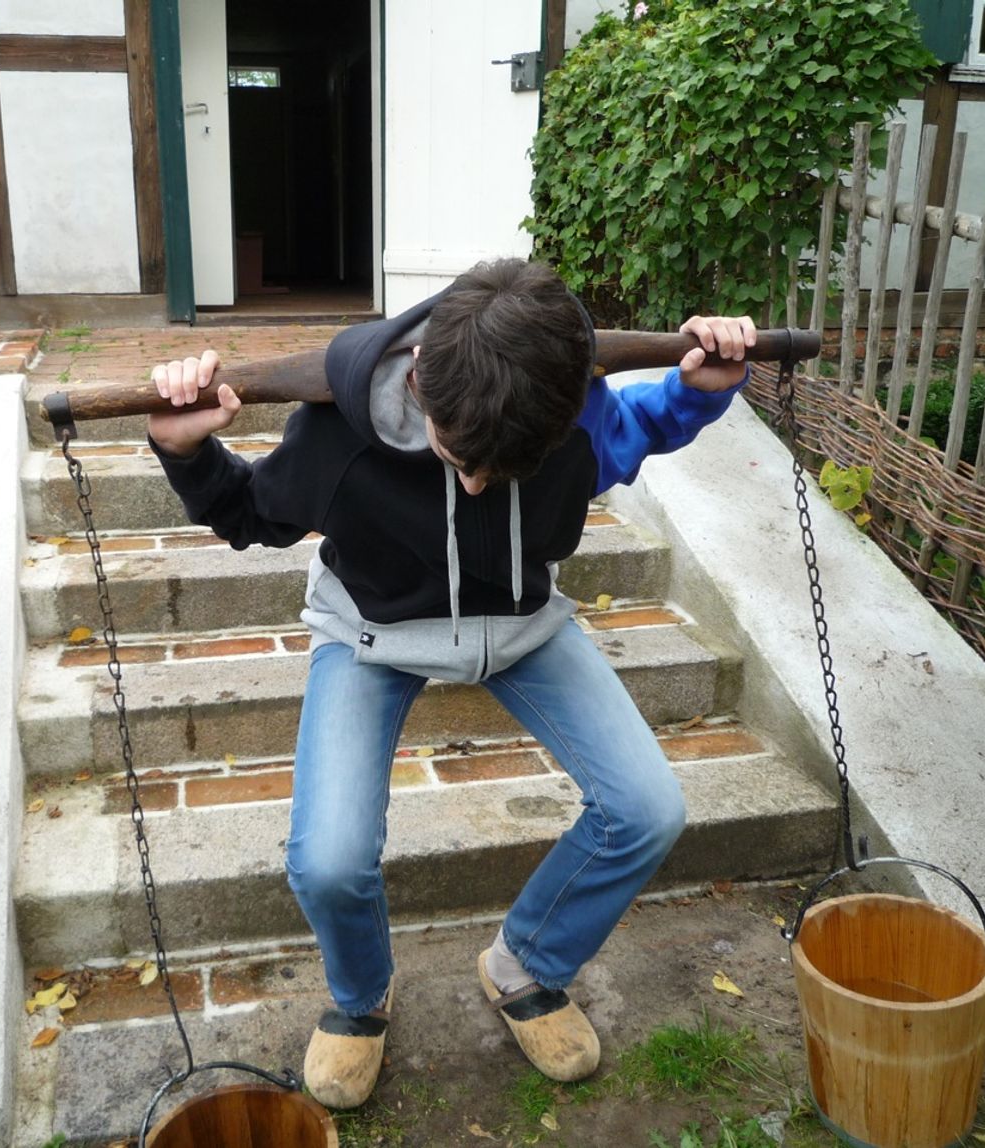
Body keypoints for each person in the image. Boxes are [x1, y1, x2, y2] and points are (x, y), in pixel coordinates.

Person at [144, 257, 755, 1108]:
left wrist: (699, 391)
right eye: (458, 455)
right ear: (422, 385)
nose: (472, 482)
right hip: (372, 630)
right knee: (329, 861)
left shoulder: (575, 414)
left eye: (496, 472)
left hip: (523, 628)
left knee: (648, 810)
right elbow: (249, 513)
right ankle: (362, 997)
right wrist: (187, 452)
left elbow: (641, 425)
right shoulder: (338, 434)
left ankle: (524, 964)